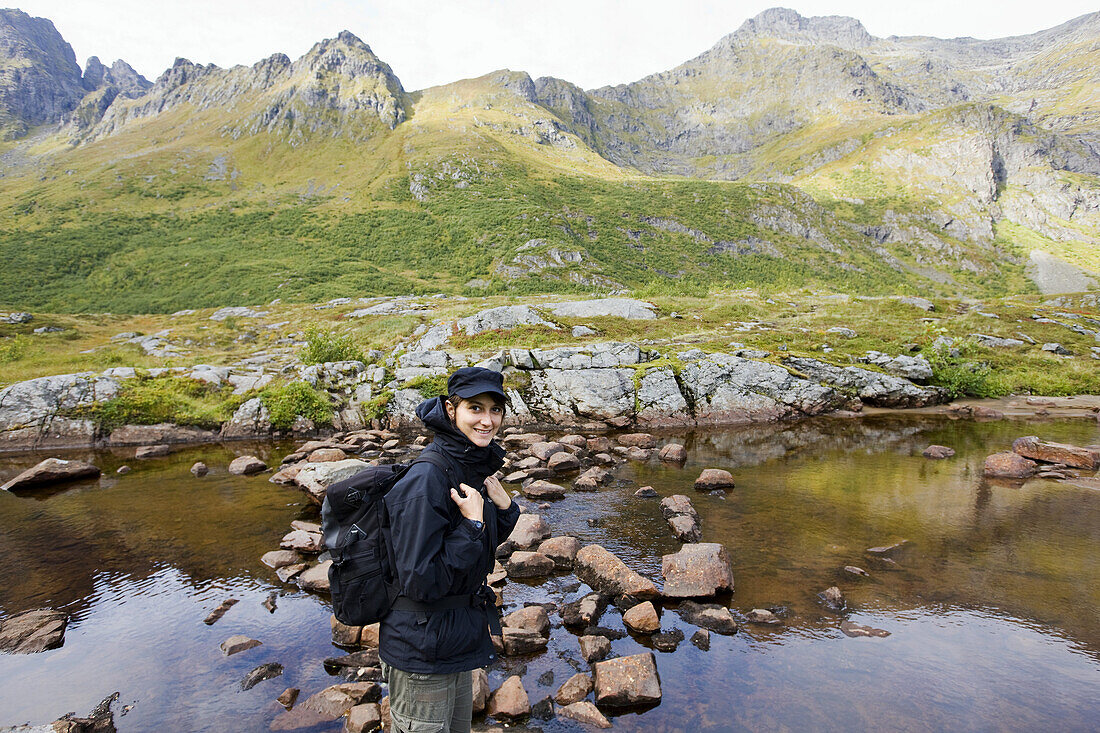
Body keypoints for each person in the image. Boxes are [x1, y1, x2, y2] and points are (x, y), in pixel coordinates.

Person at [379, 366, 520, 733]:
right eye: (475, 408)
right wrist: (473, 525)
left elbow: (474, 551)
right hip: (422, 650)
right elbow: (421, 580)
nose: (487, 420)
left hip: (452, 639)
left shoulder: (468, 464)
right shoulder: (428, 477)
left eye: (495, 409)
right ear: (450, 409)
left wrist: (504, 512)